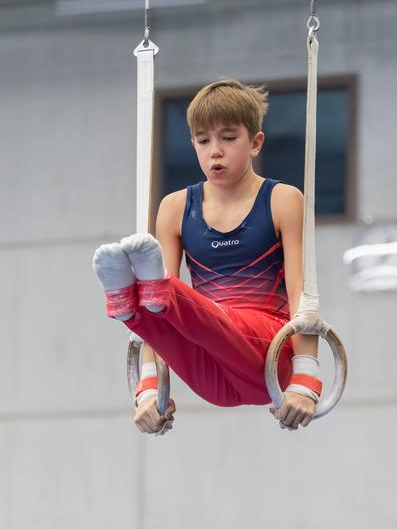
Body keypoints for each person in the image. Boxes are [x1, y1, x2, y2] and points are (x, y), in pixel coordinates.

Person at [93, 79, 322, 435]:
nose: (215, 151)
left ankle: (148, 292)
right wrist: (150, 388)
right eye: (203, 141)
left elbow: (302, 296)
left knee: (186, 307)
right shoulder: (175, 208)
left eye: (229, 138)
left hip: (269, 356)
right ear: (194, 145)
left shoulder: (282, 200)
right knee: (165, 315)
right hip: (212, 377)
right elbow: (173, 331)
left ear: (255, 143)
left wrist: (306, 378)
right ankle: (132, 305)